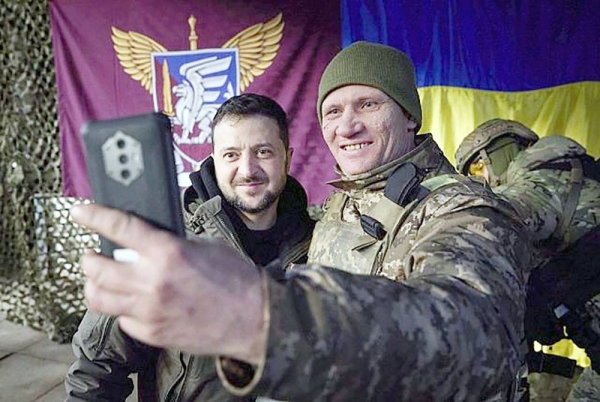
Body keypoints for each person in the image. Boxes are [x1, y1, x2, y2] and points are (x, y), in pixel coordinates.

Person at [70, 42, 530, 401]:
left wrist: (253, 314)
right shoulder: (329, 215)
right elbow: (95, 364)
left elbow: (478, 336)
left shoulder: (464, 211)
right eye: (333, 111)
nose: (347, 126)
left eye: (368, 104)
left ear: (409, 114)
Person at [65, 93, 315, 401]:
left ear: (287, 157)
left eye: (263, 152)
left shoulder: (318, 246)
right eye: (231, 155)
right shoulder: (170, 247)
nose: (248, 170)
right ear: (213, 159)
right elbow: (96, 370)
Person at [455, 118, 600, 401]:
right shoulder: (577, 171)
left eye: (479, 167)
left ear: (500, 152)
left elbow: (489, 221)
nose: (481, 179)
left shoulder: (539, 181)